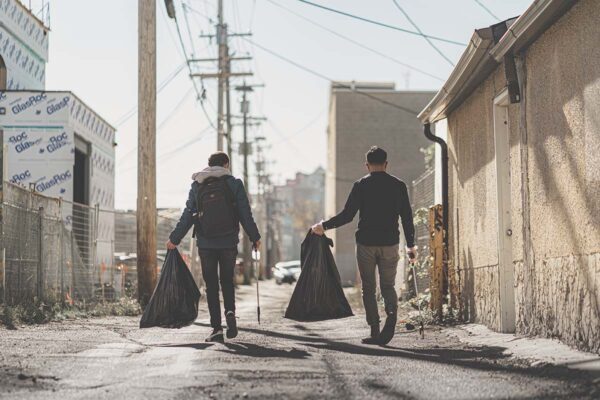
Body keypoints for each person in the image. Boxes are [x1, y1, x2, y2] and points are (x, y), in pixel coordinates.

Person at [311, 146, 417, 345]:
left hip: (366, 244)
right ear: (386, 164)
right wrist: (411, 245)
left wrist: (323, 226)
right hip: (390, 244)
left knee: (368, 287)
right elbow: (407, 218)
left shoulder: (361, 185)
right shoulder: (398, 185)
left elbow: (347, 215)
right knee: (387, 286)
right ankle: (392, 315)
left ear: (367, 165)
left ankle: (375, 330)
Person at [167, 152, 261, 343]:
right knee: (227, 280)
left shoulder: (197, 185)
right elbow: (245, 213)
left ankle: (216, 329)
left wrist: (174, 239)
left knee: (211, 285)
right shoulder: (234, 184)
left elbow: (188, 215)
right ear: (226, 164)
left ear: (208, 165)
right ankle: (230, 312)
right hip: (228, 242)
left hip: (206, 242)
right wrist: (255, 236)